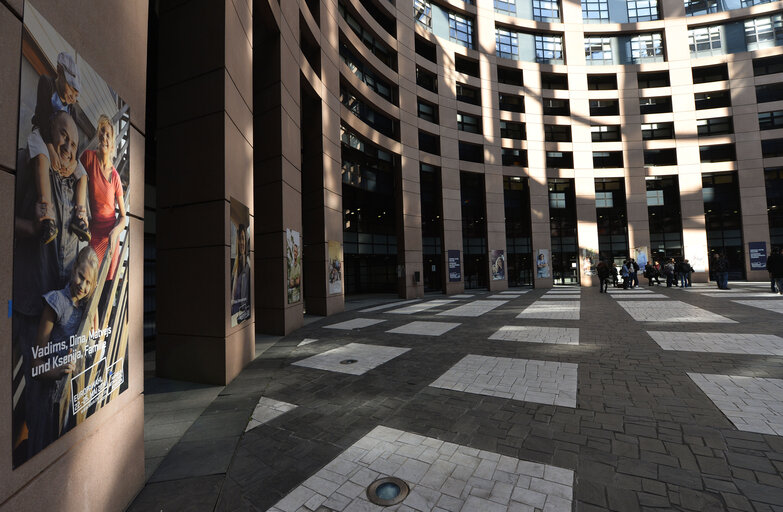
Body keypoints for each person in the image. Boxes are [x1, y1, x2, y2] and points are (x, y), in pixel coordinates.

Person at [27, 247, 99, 457]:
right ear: (74, 268)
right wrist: (57, 371)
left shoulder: (87, 309)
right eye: (80, 276)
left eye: (88, 283)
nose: (82, 285)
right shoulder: (55, 302)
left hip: (76, 401)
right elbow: (35, 365)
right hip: (50, 402)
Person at [29, 52, 89, 245]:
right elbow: (41, 115)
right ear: (59, 72)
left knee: (83, 175)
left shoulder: (72, 108)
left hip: (62, 146)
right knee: (41, 157)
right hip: (45, 136)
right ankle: (47, 214)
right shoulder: (47, 84)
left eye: (76, 92)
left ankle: (79, 217)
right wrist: (51, 150)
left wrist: (73, 161)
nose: (73, 95)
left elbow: (76, 137)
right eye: (71, 87)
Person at [79, 115, 127, 282]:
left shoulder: (115, 177)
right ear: (98, 135)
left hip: (110, 235)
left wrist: (115, 233)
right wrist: (81, 209)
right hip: (94, 232)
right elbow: (77, 179)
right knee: (90, 279)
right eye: (102, 133)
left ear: (113, 144)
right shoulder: (88, 158)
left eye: (108, 135)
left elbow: (123, 216)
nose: (104, 137)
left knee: (106, 284)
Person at [231, 225, 251, 318]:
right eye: (239, 239)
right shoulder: (236, 264)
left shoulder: (248, 266)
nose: (241, 243)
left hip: (242, 311)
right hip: (233, 312)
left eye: (243, 239)